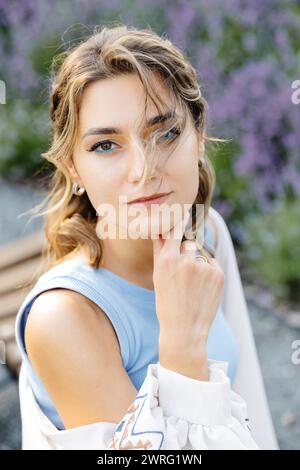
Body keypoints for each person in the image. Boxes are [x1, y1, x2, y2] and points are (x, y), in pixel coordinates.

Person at [15, 23, 277, 450]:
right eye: (106, 145)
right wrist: (179, 345)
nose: (144, 169)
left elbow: (252, 411)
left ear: (199, 135)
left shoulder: (206, 234)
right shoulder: (65, 319)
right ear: (73, 168)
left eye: (166, 132)